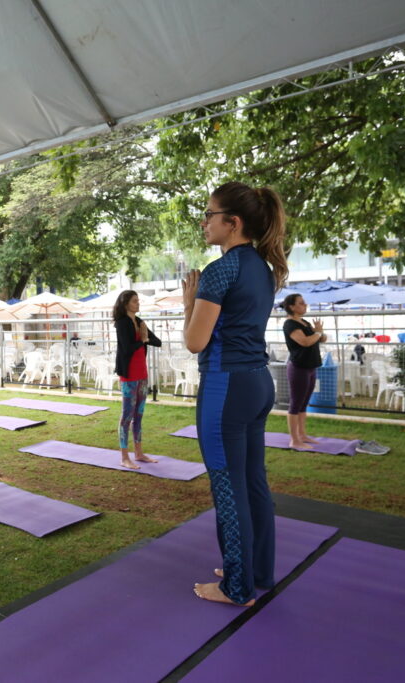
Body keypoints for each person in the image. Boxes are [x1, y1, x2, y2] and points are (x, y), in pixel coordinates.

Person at [181, 181, 288, 607]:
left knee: (228, 485)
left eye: (209, 215)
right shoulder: (262, 268)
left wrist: (190, 302)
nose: (204, 223)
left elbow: (194, 341)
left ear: (233, 222)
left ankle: (237, 587)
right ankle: (254, 570)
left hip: (226, 386)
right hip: (257, 384)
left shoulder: (220, 269)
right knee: (252, 482)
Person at [113, 290, 161, 469]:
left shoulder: (140, 322)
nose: (138, 303)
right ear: (126, 303)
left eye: (138, 301)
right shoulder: (121, 323)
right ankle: (125, 457)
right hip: (129, 376)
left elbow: (157, 341)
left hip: (142, 375)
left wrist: (145, 337)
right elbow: (127, 348)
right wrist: (143, 339)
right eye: (134, 301)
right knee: (127, 416)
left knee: (139, 416)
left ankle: (139, 453)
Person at [280, 294, 325, 449]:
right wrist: (317, 334)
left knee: (303, 404)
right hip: (298, 368)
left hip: (310, 367)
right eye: (301, 303)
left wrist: (319, 332)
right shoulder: (290, 324)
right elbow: (305, 342)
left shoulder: (304, 322)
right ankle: (294, 440)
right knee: (295, 404)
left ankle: (302, 435)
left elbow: (319, 338)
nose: (305, 305)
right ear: (292, 307)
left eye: (304, 303)